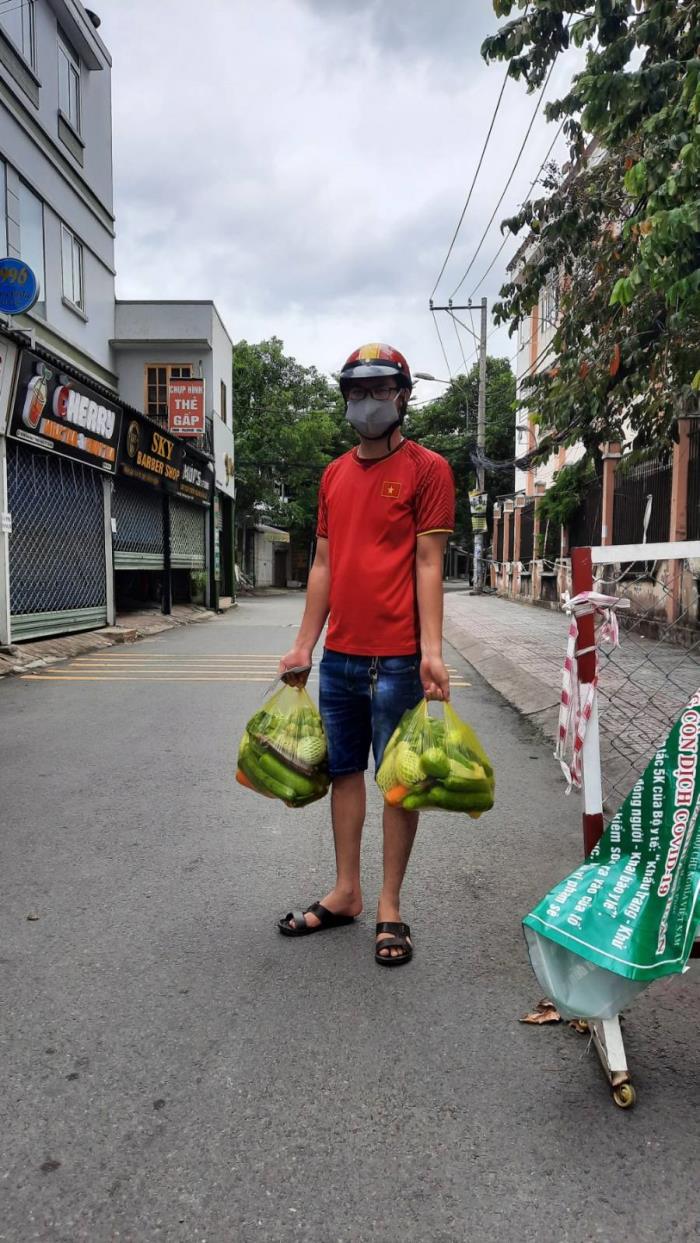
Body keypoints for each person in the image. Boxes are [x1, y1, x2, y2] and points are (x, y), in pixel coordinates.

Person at [277, 343, 455, 965]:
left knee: (398, 783)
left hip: (399, 659)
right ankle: (347, 891)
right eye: (356, 391)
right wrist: (305, 642)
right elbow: (323, 563)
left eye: (380, 390)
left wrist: (431, 651)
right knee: (344, 773)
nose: (368, 402)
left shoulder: (429, 469)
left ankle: (389, 905)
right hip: (343, 659)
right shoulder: (332, 476)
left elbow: (429, 563)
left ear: (403, 396)